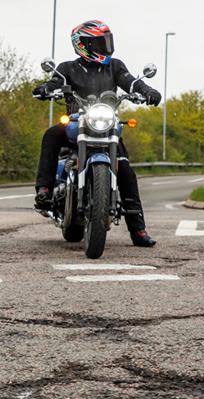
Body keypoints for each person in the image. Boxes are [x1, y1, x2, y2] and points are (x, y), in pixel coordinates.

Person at [32, 20, 161, 247]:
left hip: (106, 126)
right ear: (85, 44)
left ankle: (138, 230)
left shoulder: (115, 67)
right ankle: (44, 189)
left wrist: (147, 90)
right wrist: (46, 88)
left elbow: (130, 83)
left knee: (127, 172)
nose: (106, 46)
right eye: (101, 42)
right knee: (51, 135)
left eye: (106, 41)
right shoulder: (67, 68)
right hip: (76, 122)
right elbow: (55, 81)